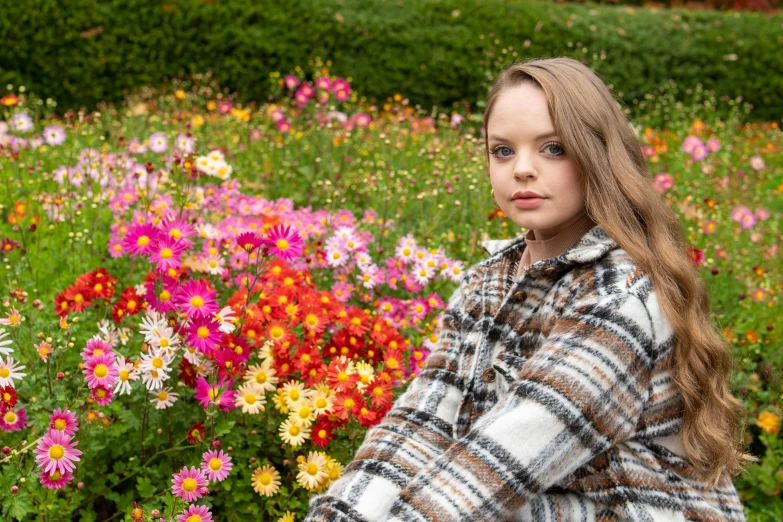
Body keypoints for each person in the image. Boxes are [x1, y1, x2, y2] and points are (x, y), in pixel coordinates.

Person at [304, 57, 756, 522]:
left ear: (597, 155)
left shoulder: (621, 299)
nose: (522, 169)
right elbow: (423, 421)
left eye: (553, 148)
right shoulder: (488, 281)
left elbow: (498, 465)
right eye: (502, 151)